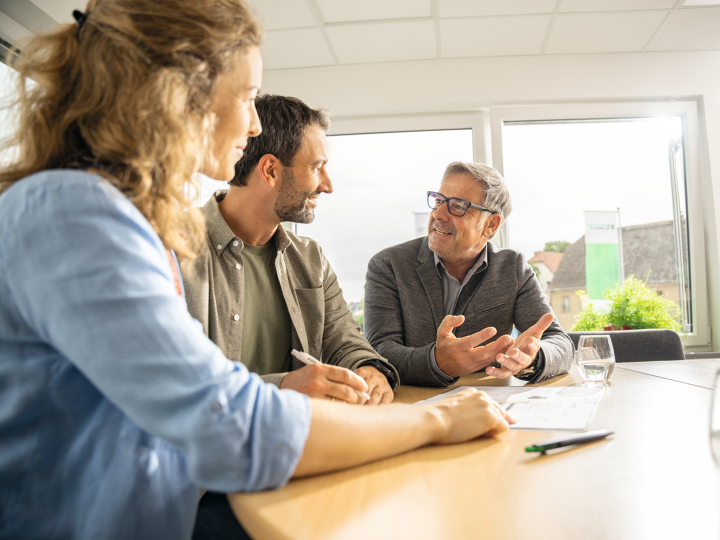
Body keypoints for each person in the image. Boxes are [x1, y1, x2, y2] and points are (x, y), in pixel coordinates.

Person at [0, 3, 513, 539]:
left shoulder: (113, 215)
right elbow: (227, 420)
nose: (251, 123)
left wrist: (370, 378)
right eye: (246, 98)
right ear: (183, 93)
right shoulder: (77, 215)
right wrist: (436, 419)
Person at [182, 94, 397, 409]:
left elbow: (345, 341)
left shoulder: (310, 259)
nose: (327, 185)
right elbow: (178, 381)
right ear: (269, 170)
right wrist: (282, 387)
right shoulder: (174, 249)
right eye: (316, 167)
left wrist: (368, 368)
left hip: (300, 442)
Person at [364, 162, 574, 387]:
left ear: (491, 225)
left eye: (458, 206)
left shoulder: (512, 268)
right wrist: (436, 362)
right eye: (438, 200)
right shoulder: (388, 265)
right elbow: (380, 351)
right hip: (413, 405)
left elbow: (561, 343)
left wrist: (533, 357)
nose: (438, 213)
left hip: (488, 403)